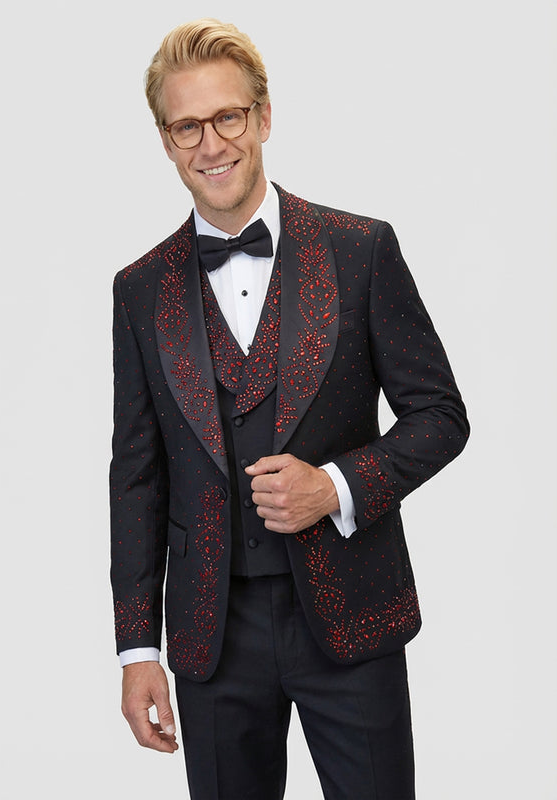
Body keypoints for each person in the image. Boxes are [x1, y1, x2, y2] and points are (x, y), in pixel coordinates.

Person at [110, 18, 469, 800]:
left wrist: (334, 487)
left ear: (264, 117)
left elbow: (440, 416)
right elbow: (135, 477)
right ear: (166, 141)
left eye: (228, 117)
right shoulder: (138, 290)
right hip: (211, 634)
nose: (211, 144)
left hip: (353, 611)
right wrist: (137, 649)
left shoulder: (360, 249)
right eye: (187, 126)